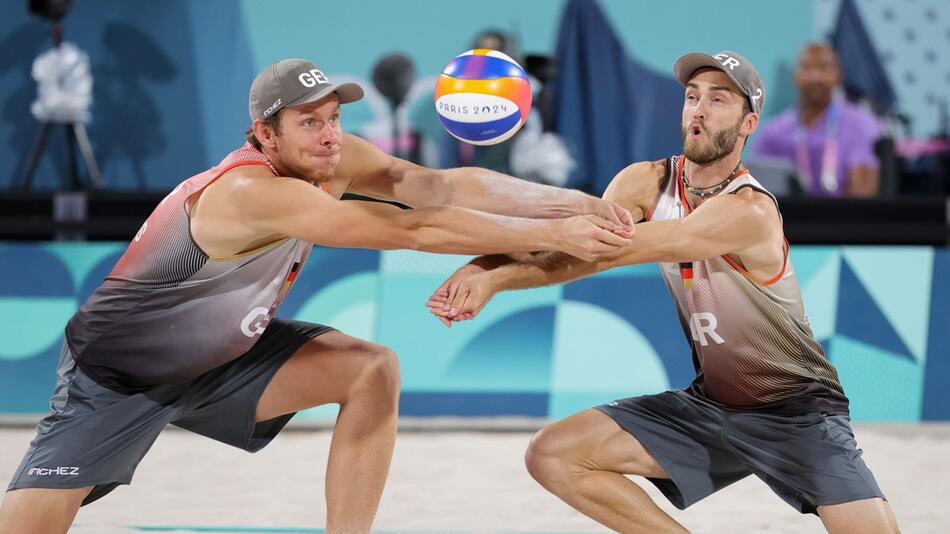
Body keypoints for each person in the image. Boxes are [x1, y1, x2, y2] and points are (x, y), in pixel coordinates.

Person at [0, 58, 635, 534]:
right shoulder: (251, 192)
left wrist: (572, 202)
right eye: (310, 123)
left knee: (371, 370)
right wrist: (556, 234)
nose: (330, 135)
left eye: (334, 118)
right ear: (264, 135)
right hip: (118, 377)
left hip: (223, 358)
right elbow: (410, 228)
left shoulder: (330, 159)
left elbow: (433, 187)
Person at [428, 51, 900, 533]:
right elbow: (576, 254)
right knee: (553, 453)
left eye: (718, 100)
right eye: (692, 97)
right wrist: (489, 275)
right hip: (711, 406)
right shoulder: (646, 181)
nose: (698, 109)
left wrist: (490, 267)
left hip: (796, 412)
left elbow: (615, 247)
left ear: (748, 124)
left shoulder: (750, 211)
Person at [753, 43, 882, 197]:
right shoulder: (773, 132)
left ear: (839, 76)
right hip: (786, 218)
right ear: (796, 77)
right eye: (807, 67)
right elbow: (759, 194)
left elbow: (864, 194)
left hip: (844, 219)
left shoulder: (861, 125)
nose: (815, 77)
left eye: (824, 68)